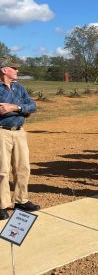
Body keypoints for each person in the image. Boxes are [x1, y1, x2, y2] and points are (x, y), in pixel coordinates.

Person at [0, 57, 40, 220]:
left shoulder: (20, 88)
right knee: (2, 170)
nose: (17, 71)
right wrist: (23, 110)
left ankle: (21, 200)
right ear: (4, 70)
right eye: (14, 68)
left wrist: (14, 107)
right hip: (2, 132)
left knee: (23, 167)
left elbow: (33, 106)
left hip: (20, 131)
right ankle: (2, 204)